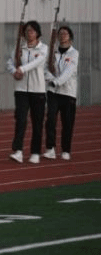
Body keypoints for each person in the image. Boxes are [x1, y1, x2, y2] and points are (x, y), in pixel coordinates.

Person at [6, 20, 48, 164]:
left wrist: (22, 69)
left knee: (37, 122)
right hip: (21, 89)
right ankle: (18, 151)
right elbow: (9, 63)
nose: (29, 33)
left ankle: (35, 152)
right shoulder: (19, 48)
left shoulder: (43, 48)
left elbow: (37, 62)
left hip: (38, 90)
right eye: (27, 31)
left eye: (32, 31)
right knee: (20, 120)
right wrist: (14, 71)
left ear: (37, 33)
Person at [43, 25, 79, 161]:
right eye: (60, 33)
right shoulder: (53, 53)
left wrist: (56, 82)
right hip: (53, 92)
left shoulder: (74, 53)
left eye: (65, 33)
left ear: (70, 37)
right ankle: (50, 148)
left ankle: (66, 150)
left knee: (67, 122)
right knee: (50, 120)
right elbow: (46, 69)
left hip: (68, 93)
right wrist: (51, 80)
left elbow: (68, 72)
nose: (62, 35)